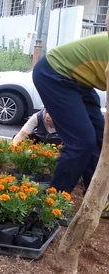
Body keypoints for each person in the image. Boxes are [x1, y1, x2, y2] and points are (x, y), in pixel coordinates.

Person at [32, 31, 108, 195]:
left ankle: (94, 197)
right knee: (81, 142)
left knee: (98, 138)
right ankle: (53, 201)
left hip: (80, 80)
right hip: (54, 72)